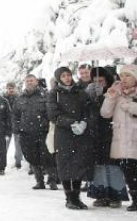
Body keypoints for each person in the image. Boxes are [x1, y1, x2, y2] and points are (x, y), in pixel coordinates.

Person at [47, 67, 93, 210]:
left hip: (80, 133)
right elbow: (53, 115)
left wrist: (84, 122)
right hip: (63, 134)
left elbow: (87, 110)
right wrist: (71, 123)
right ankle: (69, 198)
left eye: (68, 75)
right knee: (65, 166)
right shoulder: (54, 93)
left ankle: (77, 198)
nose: (67, 78)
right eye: (63, 76)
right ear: (58, 78)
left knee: (78, 165)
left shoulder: (80, 91)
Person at [86, 67, 129, 208]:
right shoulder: (89, 92)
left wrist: (105, 97)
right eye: (95, 81)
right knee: (98, 165)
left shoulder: (116, 90)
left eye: (101, 80)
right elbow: (87, 112)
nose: (99, 83)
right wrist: (93, 98)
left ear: (107, 79)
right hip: (95, 133)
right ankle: (100, 194)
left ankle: (116, 195)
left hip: (111, 132)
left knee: (113, 165)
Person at [100, 64, 137, 211]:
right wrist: (110, 97)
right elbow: (105, 113)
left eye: (128, 75)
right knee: (129, 173)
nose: (124, 79)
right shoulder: (117, 93)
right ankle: (136, 199)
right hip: (122, 141)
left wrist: (129, 106)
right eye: (122, 76)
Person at [13, 74, 58, 190]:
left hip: (43, 132)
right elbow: (15, 115)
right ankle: (39, 181)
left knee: (47, 157)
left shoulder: (45, 95)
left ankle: (52, 181)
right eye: (27, 81)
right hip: (27, 133)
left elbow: (51, 113)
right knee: (32, 157)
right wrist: (18, 128)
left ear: (36, 82)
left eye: (31, 80)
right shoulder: (20, 98)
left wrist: (49, 125)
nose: (29, 83)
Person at [4, 82, 24, 169]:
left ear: (15, 88)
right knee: (4, 145)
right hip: (7, 126)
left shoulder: (20, 98)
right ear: (6, 89)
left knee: (18, 144)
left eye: (12, 88)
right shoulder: (3, 99)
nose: (10, 90)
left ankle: (18, 162)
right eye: (9, 88)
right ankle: (2, 161)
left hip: (18, 124)